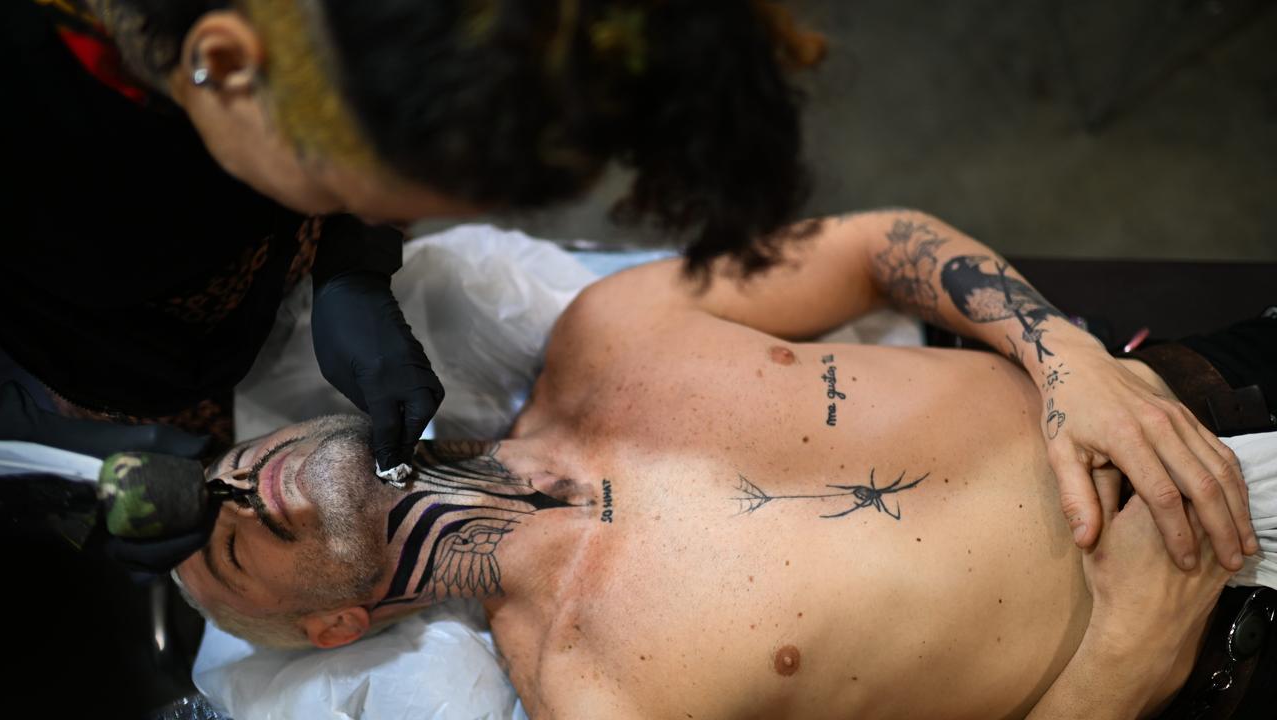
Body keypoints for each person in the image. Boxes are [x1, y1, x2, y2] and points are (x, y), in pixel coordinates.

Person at [174, 209, 1276, 718]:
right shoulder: (599, 698)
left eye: (219, 471)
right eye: (216, 550)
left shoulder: (610, 332)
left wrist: (1065, 358)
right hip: (1222, 648)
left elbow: (875, 246)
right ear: (334, 631)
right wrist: (1124, 667)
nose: (226, 492)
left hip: (1194, 397)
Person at [0, 0, 820, 487]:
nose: (341, 213)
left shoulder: (339, 54)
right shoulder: (31, 98)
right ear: (226, 64)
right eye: (339, 196)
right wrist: (56, 465)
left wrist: (353, 260)